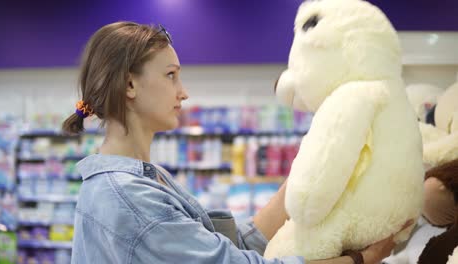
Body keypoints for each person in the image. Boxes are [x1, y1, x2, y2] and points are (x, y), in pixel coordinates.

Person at [62, 21, 411, 264]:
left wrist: (306, 177)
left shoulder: (145, 179)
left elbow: (230, 244)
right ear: (129, 86)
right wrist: (359, 260)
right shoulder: (128, 198)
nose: (183, 93)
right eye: (171, 76)